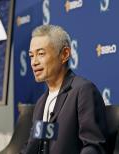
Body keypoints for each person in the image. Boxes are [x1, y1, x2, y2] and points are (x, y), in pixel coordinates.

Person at [21, 24, 108, 154]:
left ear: (64, 54)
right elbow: (32, 147)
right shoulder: (41, 102)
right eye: (31, 56)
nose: (34, 62)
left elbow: (93, 146)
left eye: (40, 54)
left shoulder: (83, 91)